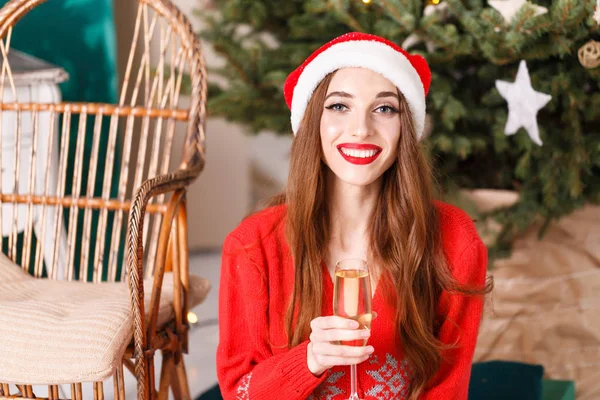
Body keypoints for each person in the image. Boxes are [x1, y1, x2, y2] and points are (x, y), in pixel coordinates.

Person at [216, 32, 491, 400]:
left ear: (405, 127)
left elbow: (448, 387)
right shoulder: (252, 244)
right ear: (313, 121)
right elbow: (239, 393)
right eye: (339, 106)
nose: (361, 128)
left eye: (384, 109)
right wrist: (309, 360)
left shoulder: (455, 240)